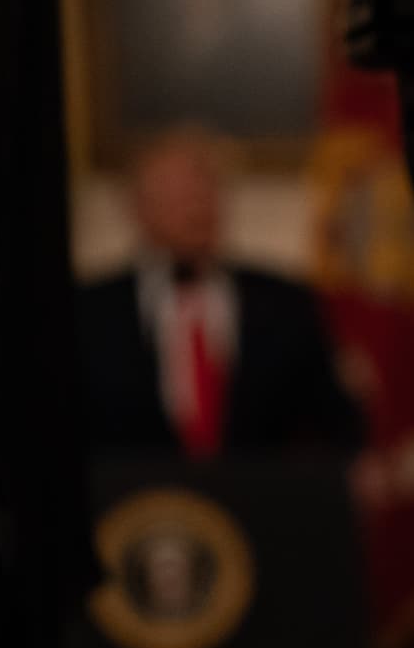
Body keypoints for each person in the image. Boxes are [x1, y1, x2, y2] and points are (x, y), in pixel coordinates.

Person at [75, 128, 364, 457]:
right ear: (137, 209)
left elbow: (337, 427)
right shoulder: (88, 311)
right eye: (176, 196)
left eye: (205, 190)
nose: (196, 208)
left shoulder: (285, 304)